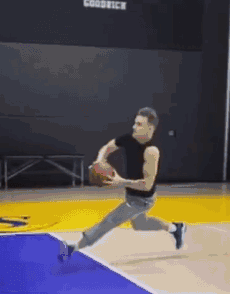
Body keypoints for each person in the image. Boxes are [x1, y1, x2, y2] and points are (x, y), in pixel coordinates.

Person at [59, 107, 186, 261]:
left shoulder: (151, 151)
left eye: (139, 124)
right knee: (140, 224)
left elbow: (147, 185)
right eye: (135, 123)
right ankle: (175, 228)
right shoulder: (128, 139)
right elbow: (107, 147)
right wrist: (99, 160)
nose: (134, 126)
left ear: (150, 128)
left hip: (143, 200)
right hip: (131, 194)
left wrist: (121, 182)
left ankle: (73, 247)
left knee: (110, 220)